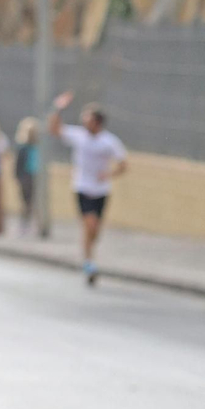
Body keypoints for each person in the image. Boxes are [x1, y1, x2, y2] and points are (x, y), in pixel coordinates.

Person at [48, 92, 127, 286]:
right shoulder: (78, 135)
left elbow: (123, 164)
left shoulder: (109, 141)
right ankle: (89, 262)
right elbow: (55, 129)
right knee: (89, 224)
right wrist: (57, 108)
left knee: (95, 230)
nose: (84, 121)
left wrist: (108, 175)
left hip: (101, 190)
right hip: (82, 187)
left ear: (97, 122)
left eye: (88, 118)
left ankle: (89, 254)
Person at [13, 116, 40, 236]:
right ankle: (24, 225)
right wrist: (18, 178)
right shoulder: (23, 148)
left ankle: (36, 226)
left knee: (35, 202)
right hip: (26, 177)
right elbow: (18, 165)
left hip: (36, 177)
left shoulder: (39, 147)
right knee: (26, 203)